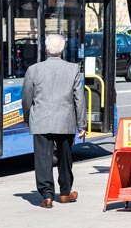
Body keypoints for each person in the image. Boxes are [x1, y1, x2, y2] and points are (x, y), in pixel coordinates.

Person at [22, 33, 86, 209]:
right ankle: (65, 192)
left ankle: (47, 196)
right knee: (65, 157)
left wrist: (27, 117)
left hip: (40, 120)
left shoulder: (33, 70)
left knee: (43, 159)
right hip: (65, 121)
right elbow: (79, 99)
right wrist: (82, 124)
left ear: (45, 49)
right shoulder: (73, 69)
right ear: (62, 50)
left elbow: (27, 97)